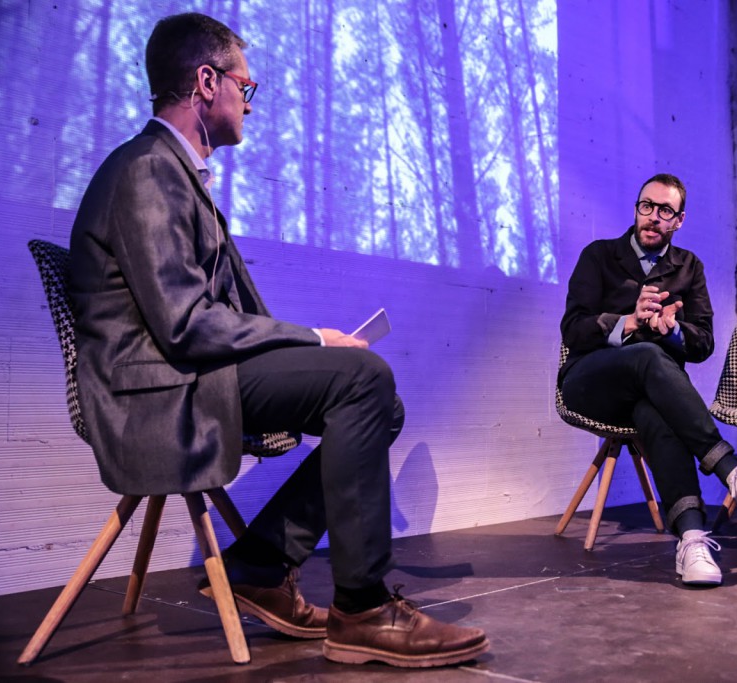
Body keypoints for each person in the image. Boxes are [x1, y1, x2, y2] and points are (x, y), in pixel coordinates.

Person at [68, 12, 488, 667]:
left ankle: (260, 565)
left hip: (184, 376)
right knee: (364, 380)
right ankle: (365, 608)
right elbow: (185, 322)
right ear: (207, 82)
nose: (249, 103)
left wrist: (312, 347)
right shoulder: (147, 170)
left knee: (378, 398)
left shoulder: (171, 175)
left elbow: (198, 317)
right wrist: (311, 339)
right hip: (155, 395)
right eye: (246, 86)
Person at [559, 173, 737, 586]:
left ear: (678, 221)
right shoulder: (599, 256)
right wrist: (629, 321)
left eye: (665, 211)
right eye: (647, 206)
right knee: (644, 353)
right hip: (589, 382)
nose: (653, 217)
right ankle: (732, 470)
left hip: (652, 393)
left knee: (657, 413)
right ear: (636, 208)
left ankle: (693, 539)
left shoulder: (689, 267)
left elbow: (703, 344)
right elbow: (572, 329)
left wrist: (673, 330)